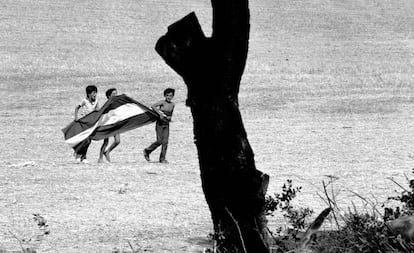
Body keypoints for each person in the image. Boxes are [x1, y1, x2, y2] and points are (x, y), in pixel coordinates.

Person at [143, 88, 175, 163]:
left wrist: (170, 118)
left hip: (166, 124)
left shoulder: (173, 104)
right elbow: (153, 106)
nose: (169, 97)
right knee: (160, 141)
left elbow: (171, 114)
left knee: (165, 142)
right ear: (164, 95)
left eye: (170, 95)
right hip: (160, 124)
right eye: (167, 95)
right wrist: (160, 113)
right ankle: (147, 150)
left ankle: (162, 158)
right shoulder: (162, 102)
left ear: (173, 96)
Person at [73, 85, 99, 163]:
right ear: (88, 94)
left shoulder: (96, 101)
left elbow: (98, 109)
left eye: (96, 92)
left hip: (91, 123)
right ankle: (78, 153)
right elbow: (77, 107)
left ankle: (83, 157)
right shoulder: (84, 101)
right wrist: (76, 117)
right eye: (93, 93)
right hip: (83, 123)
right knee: (85, 140)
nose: (95, 94)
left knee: (89, 141)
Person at [98, 88, 120, 163]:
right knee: (106, 142)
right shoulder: (107, 104)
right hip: (107, 124)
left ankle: (107, 152)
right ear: (108, 96)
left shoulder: (117, 103)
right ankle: (100, 158)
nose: (115, 95)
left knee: (117, 141)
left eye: (116, 94)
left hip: (115, 124)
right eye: (113, 94)